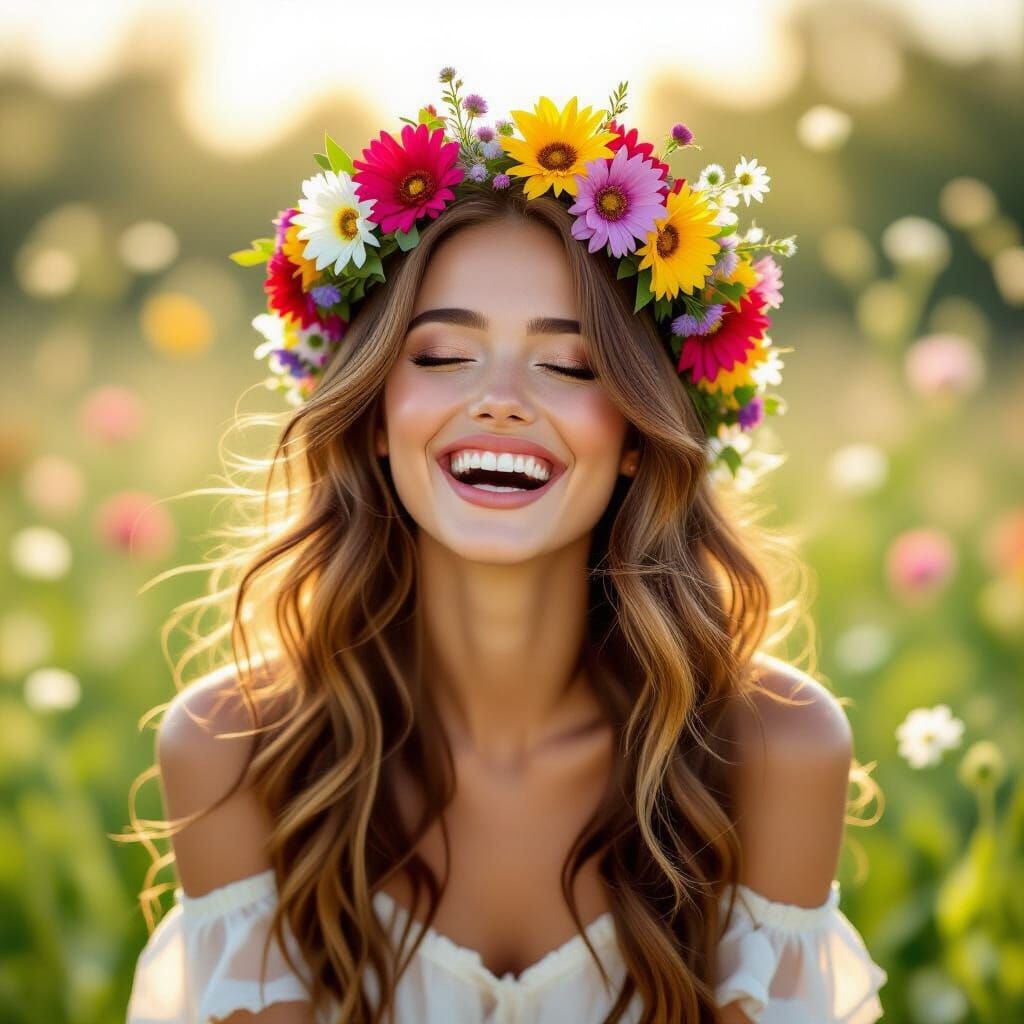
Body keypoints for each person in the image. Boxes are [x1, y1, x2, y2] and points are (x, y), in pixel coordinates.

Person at [123, 81, 888, 1024]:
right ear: (369, 415)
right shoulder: (232, 749)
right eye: (443, 355)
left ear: (644, 433)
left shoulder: (775, 749)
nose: (500, 400)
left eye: (570, 366)